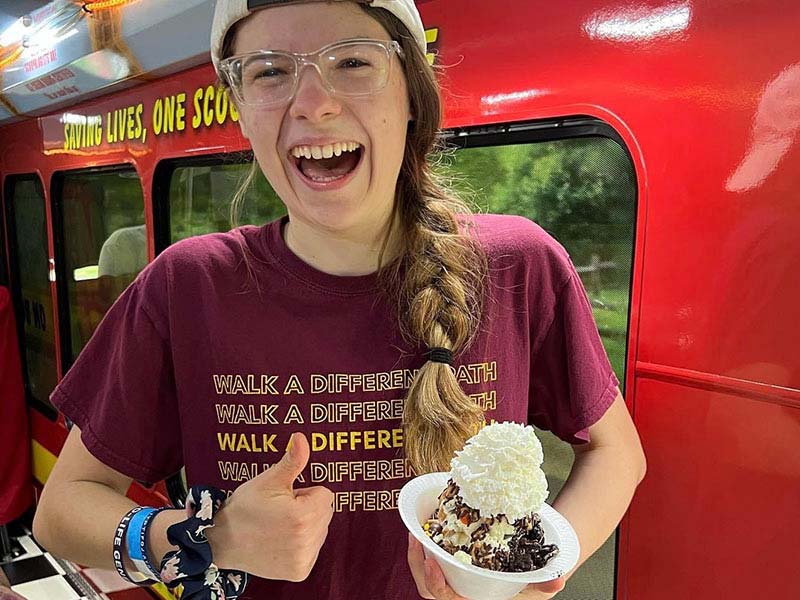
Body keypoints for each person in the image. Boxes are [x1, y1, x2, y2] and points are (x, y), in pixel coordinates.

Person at [32, 1, 647, 599]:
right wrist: (209, 537)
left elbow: (616, 453)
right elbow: (61, 510)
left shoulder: (521, 267)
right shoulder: (187, 286)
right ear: (242, 111)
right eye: (269, 72)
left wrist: (532, 578)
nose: (314, 103)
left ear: (412, 91)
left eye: (352, 62)